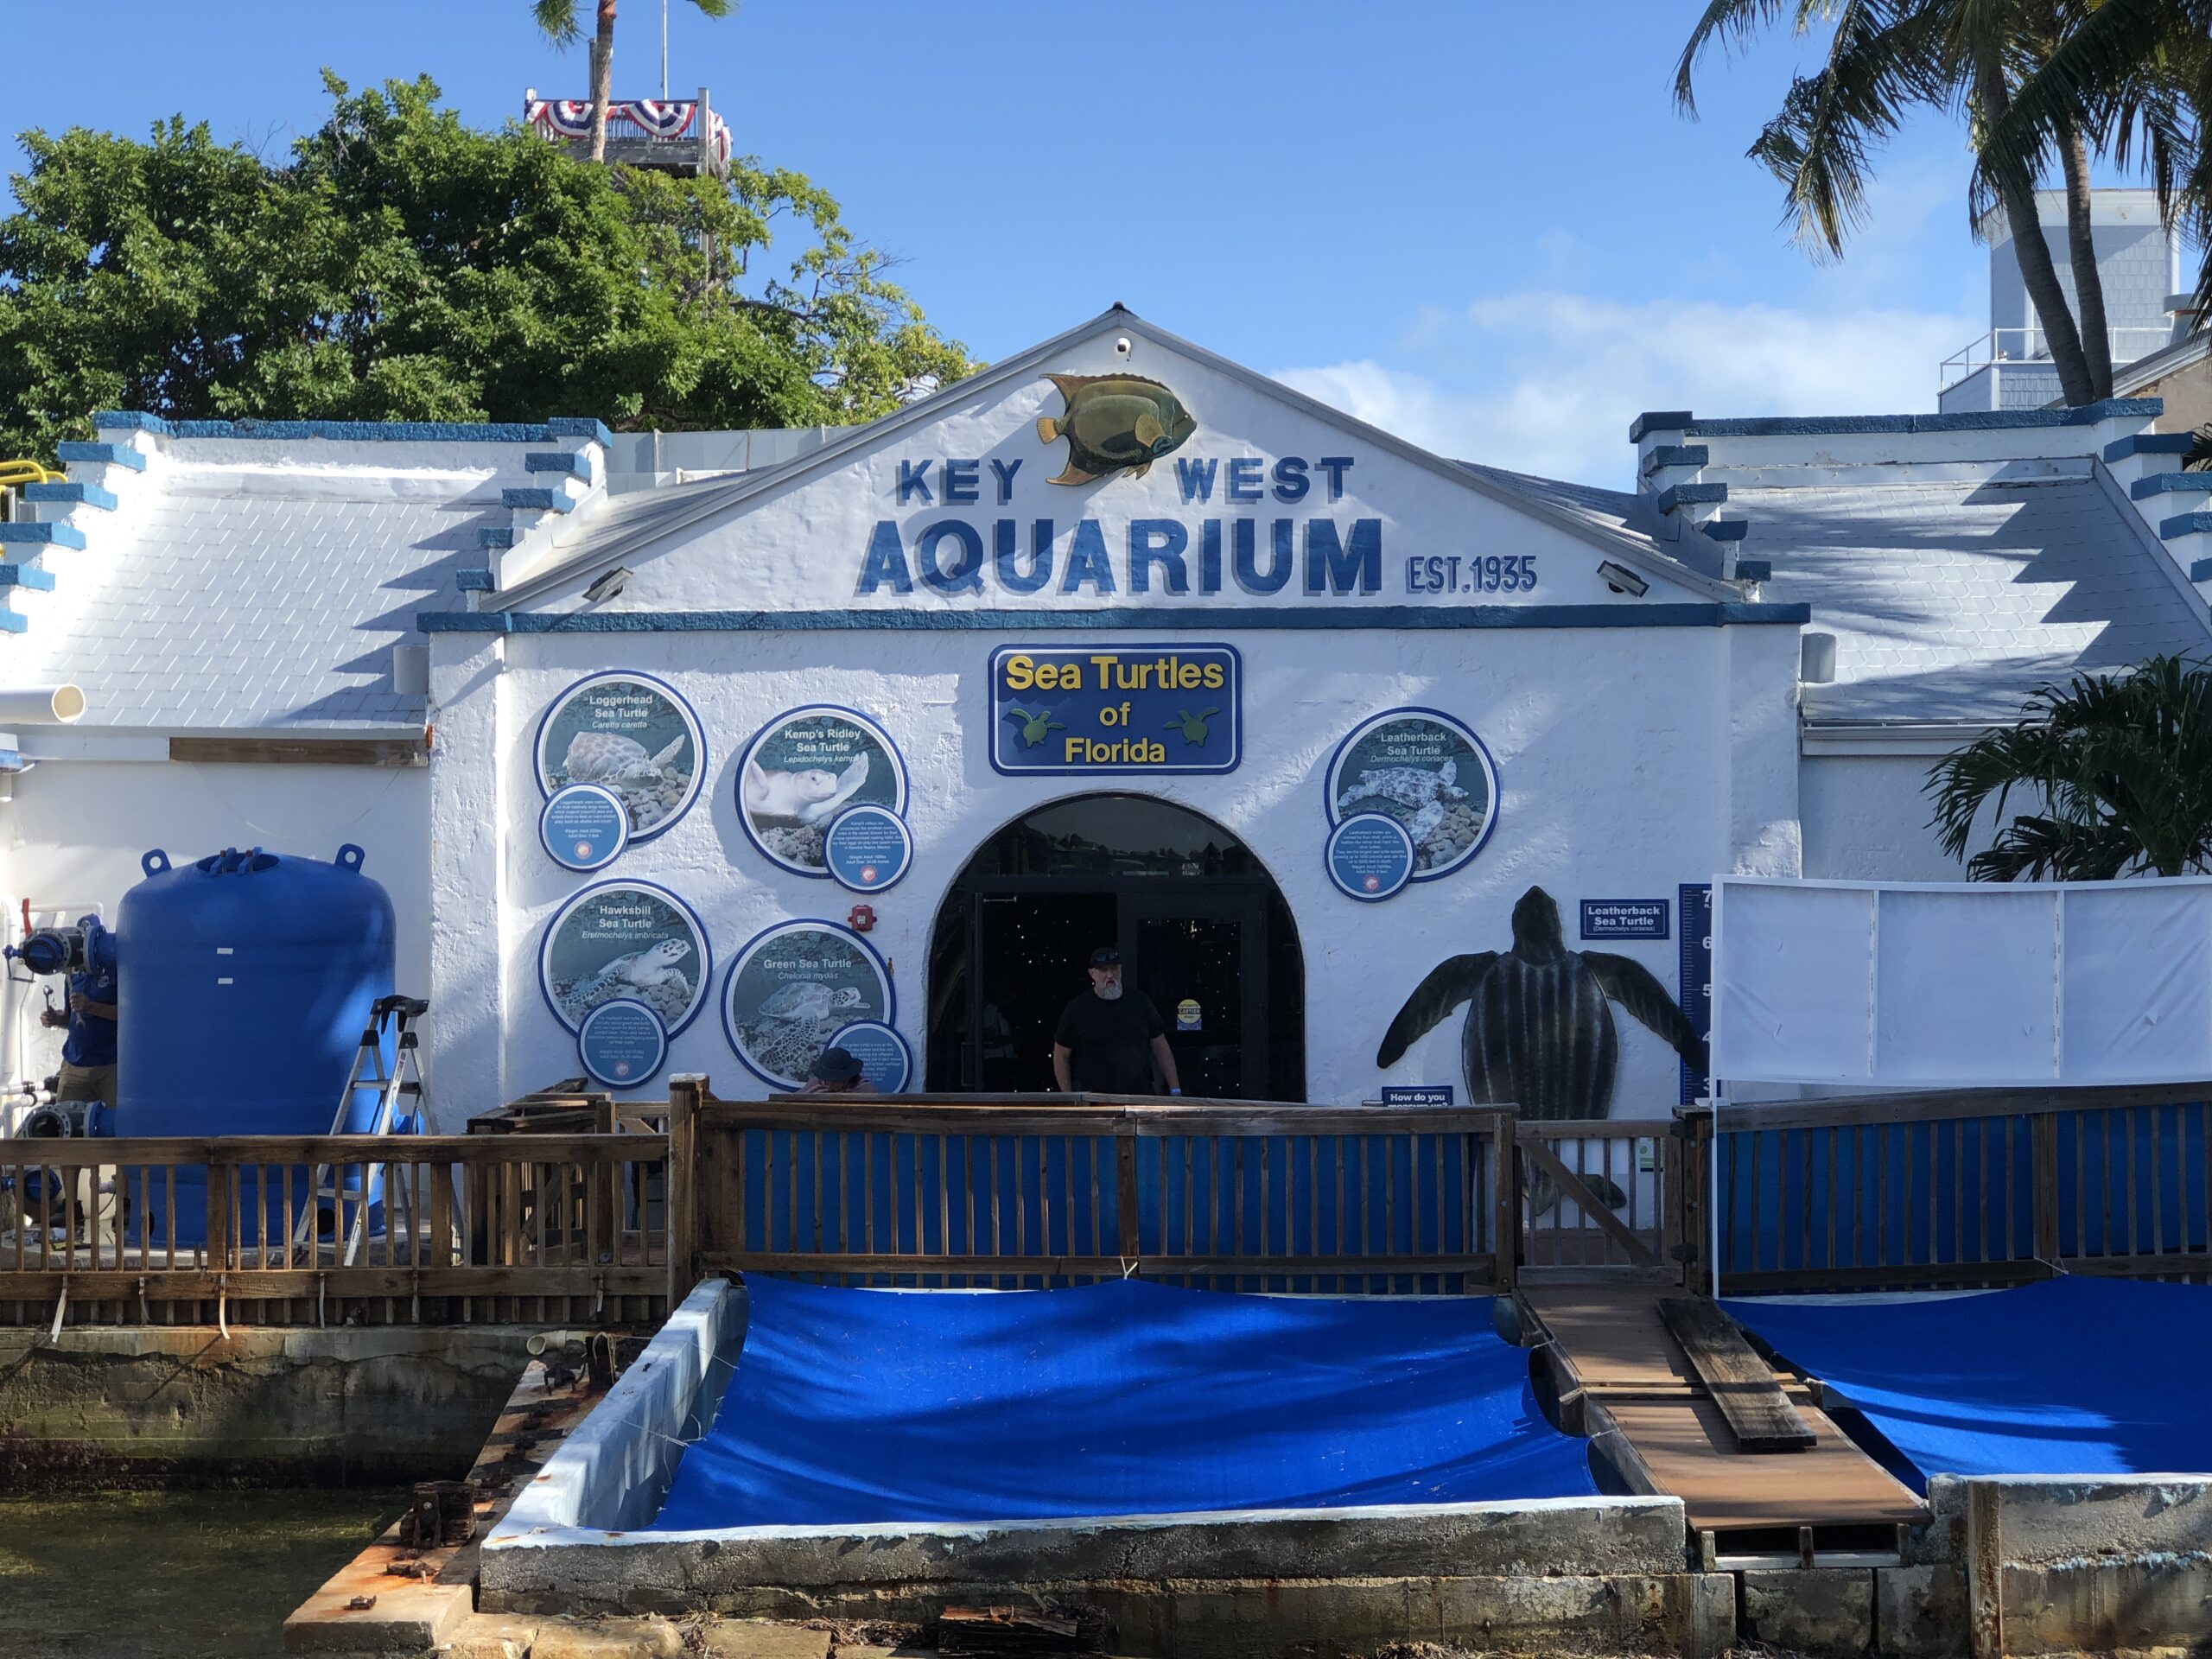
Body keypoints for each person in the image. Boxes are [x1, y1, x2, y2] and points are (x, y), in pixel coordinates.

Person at [1052, 946, 1181, 1096]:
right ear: (1092, 974)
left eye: (1114, 969)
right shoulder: (1077, 1009)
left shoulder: (1140, 1002)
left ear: (1121, 970)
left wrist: (1175, 1089)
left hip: (1139, 1096)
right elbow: (1061, 1054)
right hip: (1096, 1100)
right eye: (1103, 970)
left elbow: (1161, 1047)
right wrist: (1068, 1096)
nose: (1110, 975)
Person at [39, 924, 118, 1113]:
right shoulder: (72, 976)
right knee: (64, 1118)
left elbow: (128, 1016)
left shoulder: (116, 972)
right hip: (75, 1064)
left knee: (119, 1122)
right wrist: (56, 1019)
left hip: (111, 1065)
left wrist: (91, 1007)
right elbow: (71, 1018)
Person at [800, 1046, 876, 1095]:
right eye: (827, 1079)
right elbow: (796, 1102)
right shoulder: (815, 1083)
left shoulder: (864, 1088)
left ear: (847, 1078)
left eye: (835, 1080)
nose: (830, 1085)